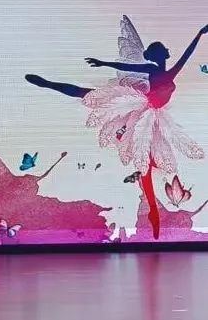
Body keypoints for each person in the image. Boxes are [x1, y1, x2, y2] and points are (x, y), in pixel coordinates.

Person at [25, 18, 208, 238]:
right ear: (160, 55)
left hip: (152, 116)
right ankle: (48, 83)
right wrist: (103, 63)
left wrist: (199, 34)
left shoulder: (169, 71)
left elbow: (186, 55)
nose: (167, 52)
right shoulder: (152, 69)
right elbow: (127, 67)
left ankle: (153, 210)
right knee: (90, 96)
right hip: (137, 107)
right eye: (164, 50)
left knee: (145, 160)